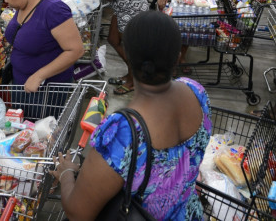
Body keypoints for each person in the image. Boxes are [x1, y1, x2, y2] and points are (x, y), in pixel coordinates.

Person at [52, 11, 211, 220]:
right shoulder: (196, 91)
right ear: (177, 55)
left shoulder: (123, 130)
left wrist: (66, 173)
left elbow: (78, 213)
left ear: (128, 56)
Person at [0, 0, 84, 92]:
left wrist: (39, 76)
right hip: (21, 82)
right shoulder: (23, 3)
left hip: (45, 90)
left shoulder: (53, 9)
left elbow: (76, 50)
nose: (5, 0)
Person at [87, 0, 149, 96]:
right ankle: (131, 74)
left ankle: (134, 80)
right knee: (113, 40)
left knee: (129, 47)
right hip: (134, 4)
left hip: (129, 10)